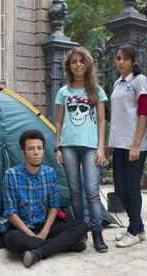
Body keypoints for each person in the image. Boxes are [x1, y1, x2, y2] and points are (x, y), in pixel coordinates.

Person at [2, 130, 88, 268]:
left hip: (44, 226)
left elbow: (54, 205)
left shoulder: (49, 173)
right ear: (23, 152)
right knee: (12, 240)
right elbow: (10, 212)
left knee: (82, 226)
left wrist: (44, 233)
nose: (36, 152)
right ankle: (64, 244)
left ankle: (39, 252)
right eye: (31, 149)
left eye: (39, 148)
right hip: (21, 229)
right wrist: (30, 235)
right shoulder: (11, 175)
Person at [54, 47, 108, 253]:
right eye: (74, 62)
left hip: (90, 147)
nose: (77, 65)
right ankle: (80, 230)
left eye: (81, 61)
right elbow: (58, 121)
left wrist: (101, 147)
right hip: (68, 146)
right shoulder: (63, 92)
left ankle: (97, 233)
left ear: (87, 65)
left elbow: (102, 121)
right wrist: (57, 146)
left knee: (92, 191)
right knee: (75, 191)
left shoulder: (97, 91)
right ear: (69, 66)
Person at [108, 44, 147, 247]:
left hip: (135, 145)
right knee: (120, 189)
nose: (121, 61)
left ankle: (133, 231)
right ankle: (138, 227)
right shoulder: (117, 83)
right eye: (118, 58)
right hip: (119, 144)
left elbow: (143, 113)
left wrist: (136, 144)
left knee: (132, 189)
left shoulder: (140, 80)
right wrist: (111, 144)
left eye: (125, 58)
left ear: (134, 61)